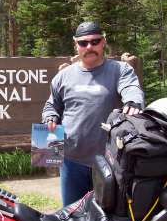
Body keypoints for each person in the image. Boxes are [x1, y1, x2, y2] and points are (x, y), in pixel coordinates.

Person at [42, 21, 144, 206]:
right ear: (76, 45)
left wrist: (133, 101)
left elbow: (131, 88)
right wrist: (50, 117)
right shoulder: (63, 77)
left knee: (108, 220)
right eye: (83, 43)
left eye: (95, 41)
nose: (89, 47)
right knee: (72, 216)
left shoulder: (120, 70)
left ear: (103, 42)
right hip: (71, 161)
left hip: (111, 163)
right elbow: (51, 105)